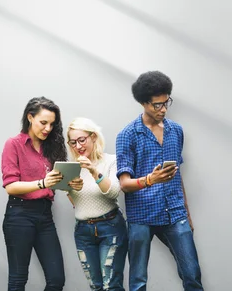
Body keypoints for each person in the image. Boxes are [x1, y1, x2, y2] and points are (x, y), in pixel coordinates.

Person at [116, 70, 204, 291]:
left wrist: (186, 213)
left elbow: (177, 175)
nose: (163, 109)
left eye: (166, 103)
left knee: (192, 275)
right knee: (138, 282)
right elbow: (124, 184)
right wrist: (150, 179)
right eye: (157, 105)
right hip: (141, 217)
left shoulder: (176, 131)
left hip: (174, 213)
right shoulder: (127, 135)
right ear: (144, 103)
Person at [1, 96, 82, 291]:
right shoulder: (14, 144)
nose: (47, 128)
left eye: (52, 124)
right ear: (30, 117)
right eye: (43, 122)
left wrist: (72, 185)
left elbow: (59, 184)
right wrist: (42, 183)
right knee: (18, 280)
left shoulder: (51, 148)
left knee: (56, 280)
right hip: (19, 214)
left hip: (45, 216)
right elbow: (10, 186)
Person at [67, 117, 128, 291]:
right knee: (95, 287)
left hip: (110, 228)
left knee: (112, 286)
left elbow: (114, 192)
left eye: (82, 140)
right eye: (73, 142)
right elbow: (77, 203)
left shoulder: (111, 161)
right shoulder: (72, 168)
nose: (78, 146)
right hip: (83, 231)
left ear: (93, 137)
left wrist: (94, 171)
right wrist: (68, 189)